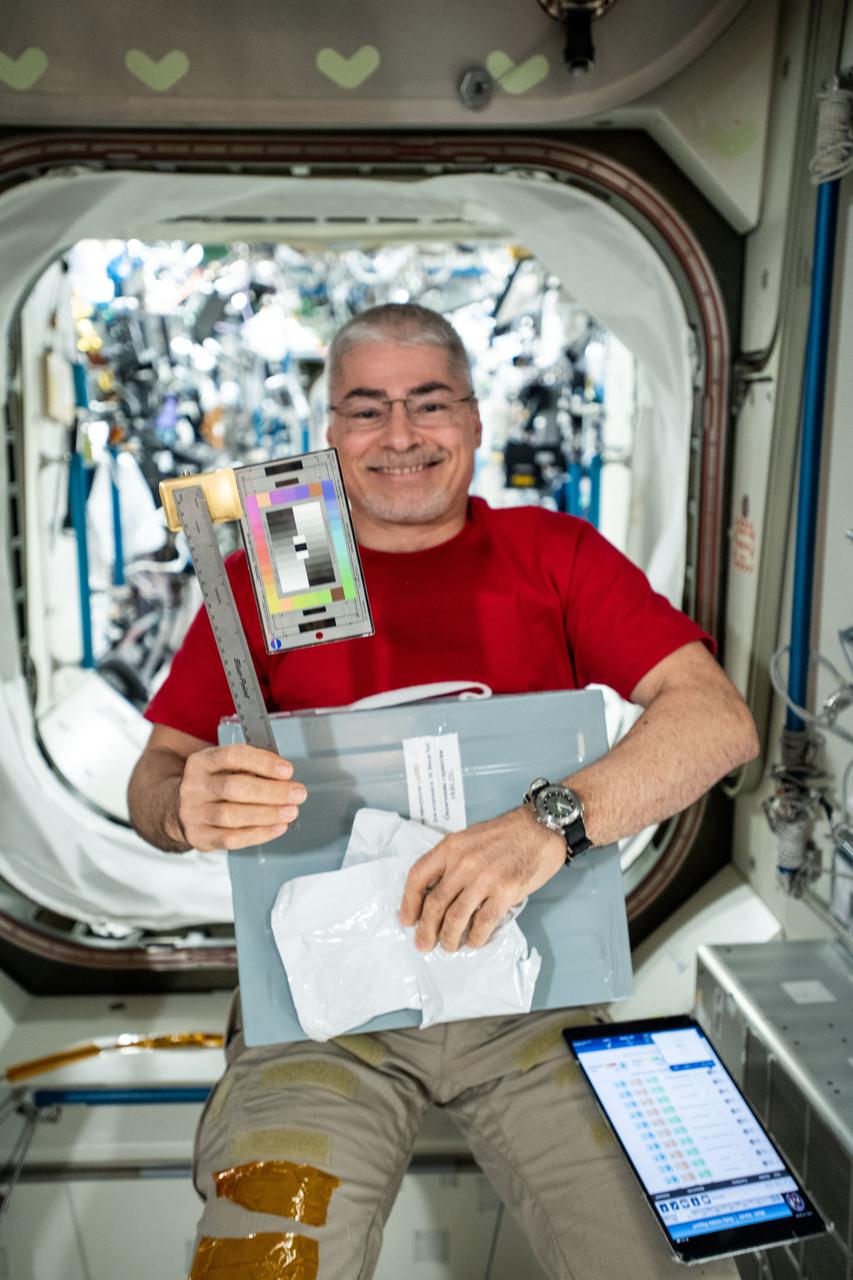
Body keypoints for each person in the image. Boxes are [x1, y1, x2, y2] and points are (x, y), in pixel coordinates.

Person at [128, 303, 758, 1280]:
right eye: (366, 408)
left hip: (536, 995)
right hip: (316, 1009)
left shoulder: (550, 554)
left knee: (661, 1251)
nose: (400, 436)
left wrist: (545, 827)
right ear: (330, 433)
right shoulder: (281, 565)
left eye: (429, 403)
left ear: (472, 418)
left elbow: (714, 719)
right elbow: (155, 774)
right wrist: (182, 803)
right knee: (267, 1258)